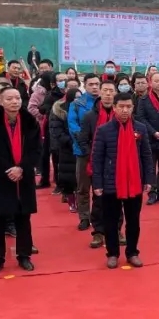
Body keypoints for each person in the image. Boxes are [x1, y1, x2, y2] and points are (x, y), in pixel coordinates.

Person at [0, 86, 40, 274]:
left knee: (23, 219)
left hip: (24, 177)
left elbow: (36, 150)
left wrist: (22, 168)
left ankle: (24, 256)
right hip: (0, 177)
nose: (14, 102)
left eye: (17, 98)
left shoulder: (31, 122)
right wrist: (9, 170)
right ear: (0, 101)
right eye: (9, 99)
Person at [92, 92, 154, 268]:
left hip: (134, 182)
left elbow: (146, 155)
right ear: (114, 108)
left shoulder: (140, 128)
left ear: (133, 108)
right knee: (110, 221)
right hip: (111, 182)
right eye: (121, 107)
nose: (125, 110)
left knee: (133, 220)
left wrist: (149, 179)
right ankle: (112, 253)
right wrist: (97, 183)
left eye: (128, 107)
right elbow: (97, 159)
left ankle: (132, 252)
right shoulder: (103, 130)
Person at [80, 78, 120, 248]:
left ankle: (117, 229)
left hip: (118, 163)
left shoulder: (122, 116)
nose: (108, 94)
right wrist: (93, 156)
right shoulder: (90, 116)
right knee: (98, 199)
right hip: (97, 163)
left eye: (111, 91)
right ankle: (98, 232)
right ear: (100, 93)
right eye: (105, 91)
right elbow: (83, 140)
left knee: (118, 198)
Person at [69, 73, 100, 231]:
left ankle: (98, 216)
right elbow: (73, 126)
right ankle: (84, 217)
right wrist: (85, 144)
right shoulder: (76, 104)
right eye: (91, 84)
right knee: (83, 186)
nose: (94, 87)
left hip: (101, 151)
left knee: (100, 186)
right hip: (83, 151)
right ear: (85, 86)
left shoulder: (105, 102)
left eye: (97, 84)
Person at [137, 71, 159, 205]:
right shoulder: (144, 100)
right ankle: (152, 193)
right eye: (156, 81)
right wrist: (153, 132)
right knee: (150, 167)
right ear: (150, 83)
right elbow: (141, 118)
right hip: (150, 139)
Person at [48, 87, 80, 208]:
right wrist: (70, 141)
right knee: (68, 177)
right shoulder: (59, 111)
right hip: (67, 148)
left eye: (80, 97)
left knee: (80, 177)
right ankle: (70, 199)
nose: (78, 100)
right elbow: (57, 131)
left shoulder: (83, 111)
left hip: (81, 147)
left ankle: (80, 201)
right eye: (76, 97)